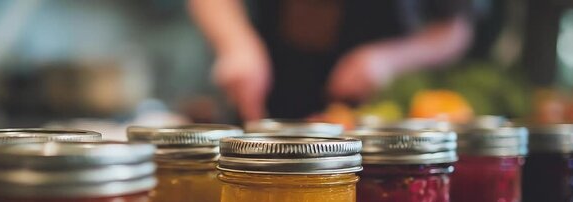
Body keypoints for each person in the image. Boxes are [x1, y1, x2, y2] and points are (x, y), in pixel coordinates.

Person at [189, 0, 473, 122]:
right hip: (269, 102)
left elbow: (455, 29)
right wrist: (236, 43)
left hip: (377, 125)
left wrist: (387, 59)